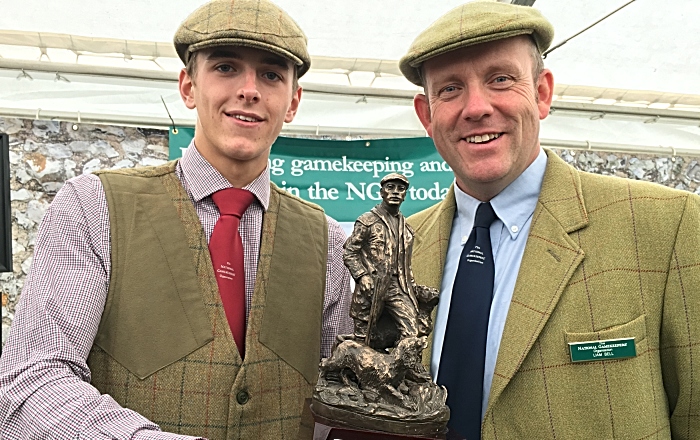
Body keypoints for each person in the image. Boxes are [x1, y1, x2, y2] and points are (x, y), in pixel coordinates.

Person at [0, 0, 352, 439]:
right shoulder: (93, 206)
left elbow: (339, 399)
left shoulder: (328, 242)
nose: (249, 89)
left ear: (293, 101)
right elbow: (30, 382)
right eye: (225, 68)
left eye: (271, 75)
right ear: (188, 87)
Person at [399, 1, 700, 439]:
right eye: (450, 89)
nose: (476, 107)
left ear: (542, 93)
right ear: (426, 115)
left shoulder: (665, 226)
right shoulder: (402, 245)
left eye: (500, 79)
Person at [343, 173, 419, 349]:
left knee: (411, 332)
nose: (395, 192)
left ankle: (404, 370)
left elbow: (406, 266)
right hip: (372, 286)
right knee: (364, 341)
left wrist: (414, 289)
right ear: (382, 192)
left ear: (405, 195)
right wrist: (362, 276)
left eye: (400, 189)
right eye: (390, 187)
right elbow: (350, 252)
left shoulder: (407, 230)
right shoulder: (367, 221)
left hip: (397, 286)